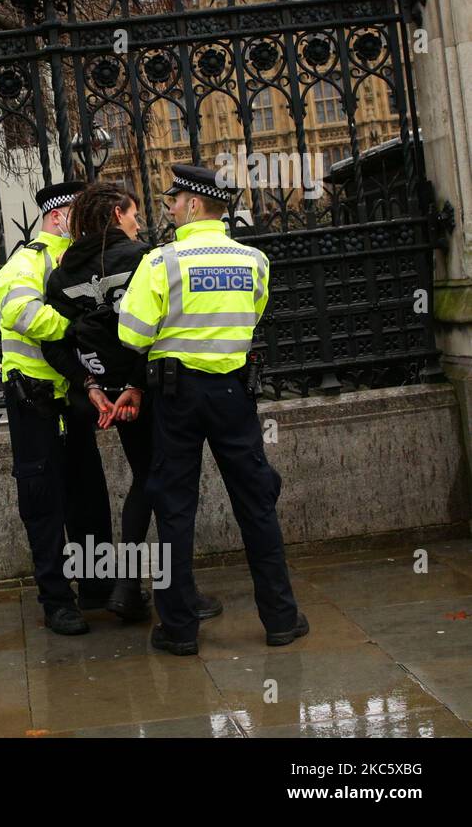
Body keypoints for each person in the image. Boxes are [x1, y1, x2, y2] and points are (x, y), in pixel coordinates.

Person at [117, 164, 308, 656]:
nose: (171, 208)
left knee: (174, 510)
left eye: (175, 201)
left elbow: (131, 334)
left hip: (177, 398)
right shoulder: (254, 261)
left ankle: (179, 630)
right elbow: (253, 315)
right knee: (256, 504)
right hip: (234, 395)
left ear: (196, 205)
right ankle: (281, 619)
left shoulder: (162, 262)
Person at [44, 182, 222, 624]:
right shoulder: (145, 257)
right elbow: (159, 327)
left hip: (112, 397)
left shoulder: (62, 275)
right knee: (169, 486)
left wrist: (90, 385)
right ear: (114, 215)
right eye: (132, 215)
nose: (138, 223)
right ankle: (176, 593)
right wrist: (137, 384)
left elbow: (53, 341)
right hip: (151, 389)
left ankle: (127, 586)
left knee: (147, 477)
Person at [0, 181, 114, 636]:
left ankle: (99, 585)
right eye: (81, 215)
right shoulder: (27, 261)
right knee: (44, 501)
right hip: (36, 399)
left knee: (88, 493)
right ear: (60, 217)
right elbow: (21, 313)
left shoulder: (83, 261)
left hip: (75, 396)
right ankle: (56, 600)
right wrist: (77, 329)